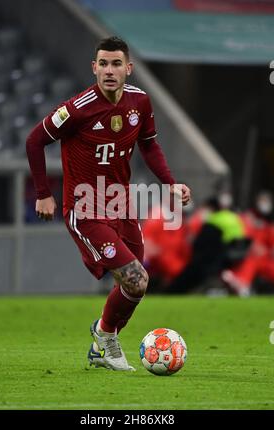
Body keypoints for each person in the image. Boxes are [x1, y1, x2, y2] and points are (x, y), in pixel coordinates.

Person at [26, 36, 191, 371]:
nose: (109, 70)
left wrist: (171, 184)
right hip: (85, 210)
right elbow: (34, 140)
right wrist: (44, 193)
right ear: (94, 68)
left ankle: (102, 336)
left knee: (135, 283)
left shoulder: (140, 103)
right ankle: (107, 341)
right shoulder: (77, 109)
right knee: (136, 278)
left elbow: (149, 145)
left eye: (116, 64)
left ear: (129, 68)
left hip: (122, 206)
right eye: (103, 64)